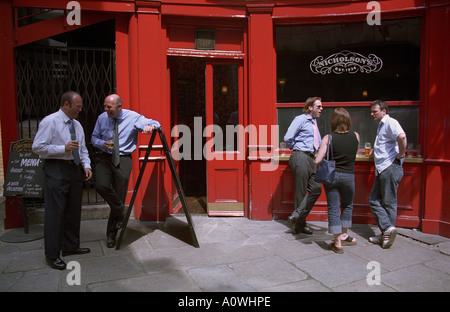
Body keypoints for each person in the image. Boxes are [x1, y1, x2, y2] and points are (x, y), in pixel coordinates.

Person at [32, 91, 93, 270]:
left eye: (81, 106)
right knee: (55, 213)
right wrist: (63, 148)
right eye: (77, 106)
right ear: (66, 104)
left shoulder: (78, 125)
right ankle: (52, 255)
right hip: (56, 168)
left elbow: (82, 149)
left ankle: (70, 246)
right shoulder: (50, 121)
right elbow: (37, 147)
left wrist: (86, 165)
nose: (80, 110)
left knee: (73, 210)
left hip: (74, 169)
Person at [91, 94, 160, 248]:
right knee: (101, 185)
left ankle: (111, 235)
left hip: (123, 159)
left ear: (119, 107)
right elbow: (94, 138)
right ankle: (122, 210)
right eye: (105, 106)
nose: (106, 109)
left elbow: (155, 123)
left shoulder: (133, 117)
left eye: (109, 107)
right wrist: (102, 143)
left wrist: (151, 127)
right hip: (105, 157)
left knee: (120, 196)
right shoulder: (102, 118)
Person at [314, 107, 359, 253]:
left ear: (333, 121)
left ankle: (337, 242)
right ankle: (344, 234)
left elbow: (318, 160)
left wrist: (315, 169)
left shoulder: (328, 138)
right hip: (349, 176)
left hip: (332, 176)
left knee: (333, 208)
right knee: (347, 205)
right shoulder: (356, 136)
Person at [368, 99, 407, 249]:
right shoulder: (382, 125)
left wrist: (401, 155)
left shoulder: (390, 122)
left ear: (384, 111)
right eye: (371, 112)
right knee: (374, 200)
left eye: (374, 111)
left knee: (388, 203)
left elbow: (402, 137)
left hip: (389, 167)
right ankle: (386, 231)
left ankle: (386, 232)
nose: (372, 114)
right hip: (383, 168)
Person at [284, 97, 323, 234]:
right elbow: (287, 137)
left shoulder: (314, 122)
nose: (321, 109)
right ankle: (300, 225)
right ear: (310, 107)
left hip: (310, 158)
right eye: (318, 106)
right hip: (300, 156)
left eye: (321, 107)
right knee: (300, 192)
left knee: (316, 189)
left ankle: (297, 215)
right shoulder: (300, 119)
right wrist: (297, 148)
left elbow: (317, 141)